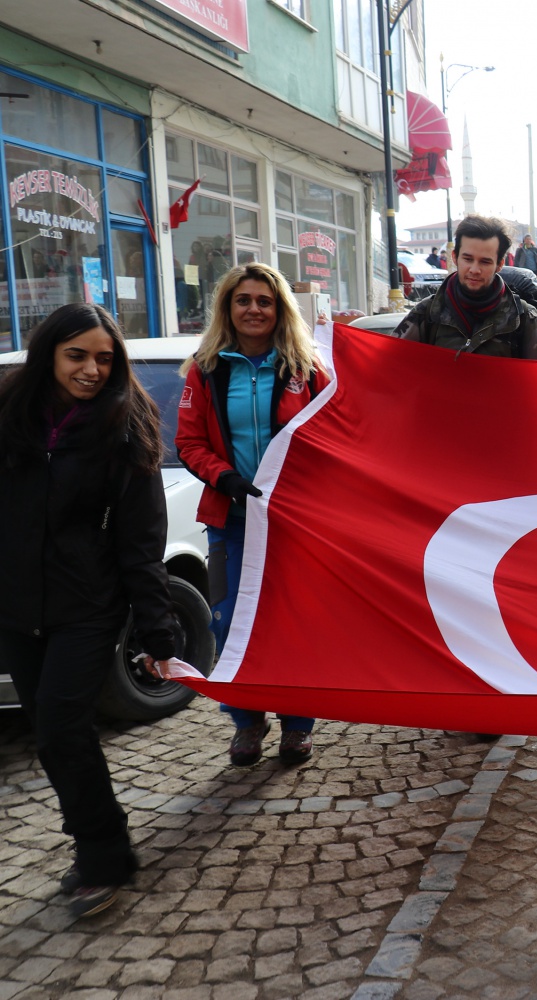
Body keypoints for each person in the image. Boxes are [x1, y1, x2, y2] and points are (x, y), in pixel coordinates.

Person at [0, 303, 177, 917]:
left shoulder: (126, 426)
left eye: (104, 358)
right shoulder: (9, 414)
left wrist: (158, 629)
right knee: (50, 733)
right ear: (47, 353)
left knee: (61, 728)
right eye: (77, 355)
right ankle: (103, 844)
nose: (91, 370)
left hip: (88, 606)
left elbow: (142, 541)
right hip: (16, 606)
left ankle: (103, 855)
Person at [176, 263, 331, 767]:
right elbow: (188, 442)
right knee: (230, 624)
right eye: (243, 300)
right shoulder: (205, 369)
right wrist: (226, 479)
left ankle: (297, 725)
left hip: (295, 523)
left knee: (295, 624)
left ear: (280, 309)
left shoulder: (307, 368)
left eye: (265, 301)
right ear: (228, 307)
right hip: (232, 520)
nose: (254, 309)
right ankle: (246, 720)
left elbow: (335, 436)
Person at [394, 215, 537, 359]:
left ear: (499, 264)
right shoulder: (426, 313)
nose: (474, 269)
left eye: (485, 262)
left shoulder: (524, 319)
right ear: (455, 257)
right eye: (468, 259)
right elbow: (390, 368)